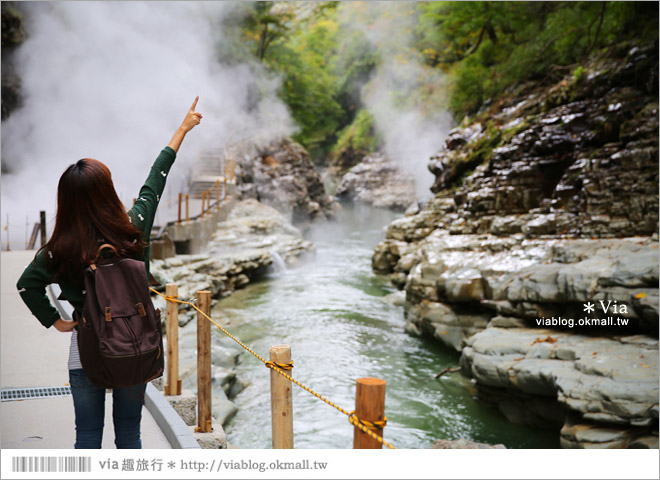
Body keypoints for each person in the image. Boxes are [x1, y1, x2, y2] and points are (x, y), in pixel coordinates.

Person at [16, 96, 203, 449]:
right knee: (129, 434)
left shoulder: (60, 248)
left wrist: (57, 322)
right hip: (133, 345)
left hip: (85, 349)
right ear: (108, 191)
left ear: (65, 200)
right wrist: (183, 128)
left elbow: (27, 286)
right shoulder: (133, 230)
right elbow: (155, 181)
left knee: (87, 436)